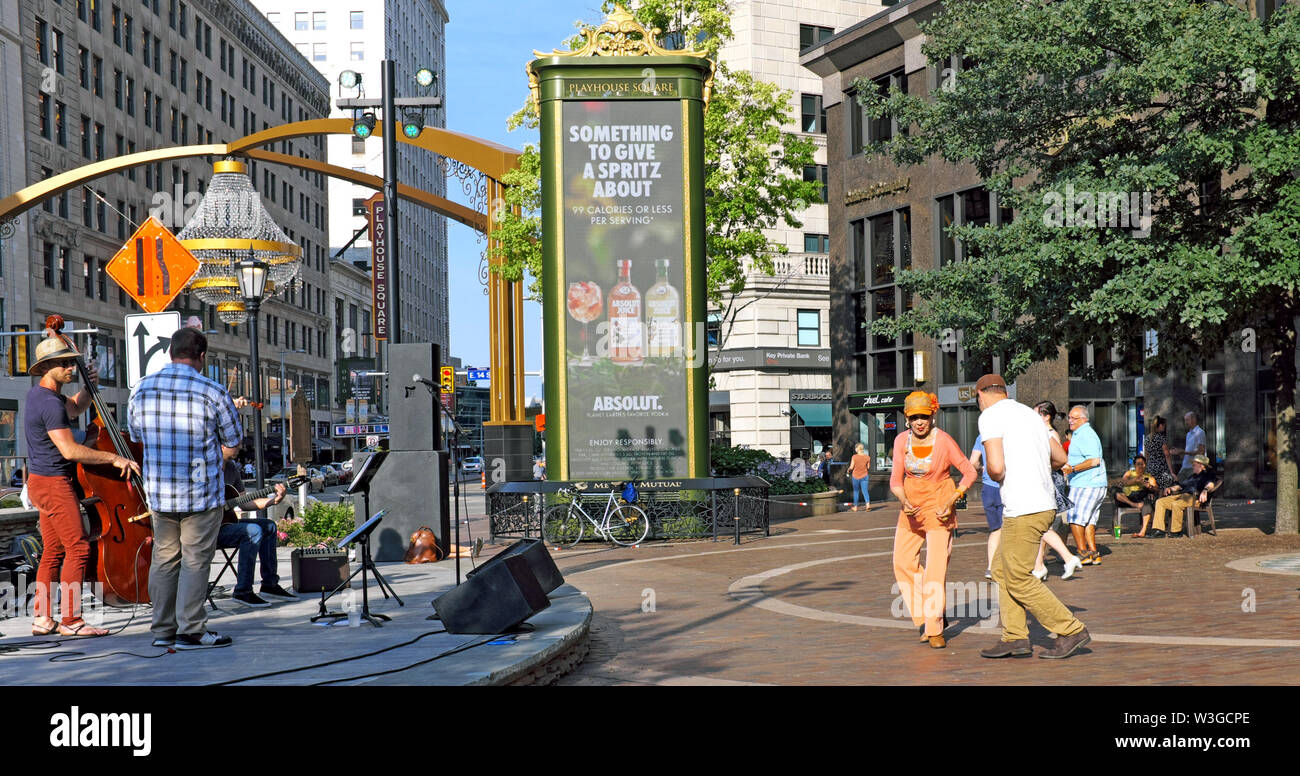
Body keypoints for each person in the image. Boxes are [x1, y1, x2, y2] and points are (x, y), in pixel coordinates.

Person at [128, 328, 243, 650]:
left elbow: (136, 434)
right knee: (194, 560)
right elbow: (233, 441)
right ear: (202, 356)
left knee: (164, 559)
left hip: (160, 494)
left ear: (170, 353)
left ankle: (162, 630)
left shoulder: (142, 389)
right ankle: (191, 628)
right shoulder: (212, 390)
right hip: (200, 492)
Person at [25, 337, 141, 638]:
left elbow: (75, 408)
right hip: (53, 483)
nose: (69, 367)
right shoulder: (50, 403)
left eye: (70, 362)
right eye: (64, 363)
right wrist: (114, 457)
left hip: (40, 482)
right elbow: (70, 451)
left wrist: (90, 389)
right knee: (77, 548)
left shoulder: (41, 397)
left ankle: (42, 618)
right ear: (46, 367)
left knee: (52, 551)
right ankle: (72, 621)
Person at [975, 374, 1091, 660]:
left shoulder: (989, 417)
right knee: (1002, 571)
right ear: (1004, 391)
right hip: (1043, 502)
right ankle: (1015, 637)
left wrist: (996, 473)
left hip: (1022, 506)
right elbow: (1061, 460)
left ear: (980, 395)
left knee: (1016, 577)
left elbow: (997, 468)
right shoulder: (1031, 415)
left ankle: (1070, 629)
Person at [889, 391, 977, 649]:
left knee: (936, 571)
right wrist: (902, 500)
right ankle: (926, 615)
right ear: (907, 419)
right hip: (911, 510)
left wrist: (954, 498)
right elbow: (896, 478)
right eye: (914, 417)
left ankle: (934, 627)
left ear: (932, 416)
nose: (919, 422)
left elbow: (969, 471)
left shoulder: (944, 441)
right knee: (902, 563)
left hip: (940, 509)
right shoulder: (900, 441)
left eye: (924, 416)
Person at [216, 441, 296, 608]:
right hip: (208, 529)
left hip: (227, 524)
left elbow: (245, 503)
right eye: (235, 445)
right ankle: (243, 591)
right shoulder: (207, 468)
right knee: (252, 531)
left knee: (269, 526)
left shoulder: (232, 468)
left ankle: (269, 585)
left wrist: (274, 500)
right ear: (222, 446)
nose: (239, 448)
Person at [1030, 402, 1083, 581]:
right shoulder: (1040, 432)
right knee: (1040, 525)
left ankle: (1064, 559)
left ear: (1046, 416)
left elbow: (1059, 459)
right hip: (1044, 481)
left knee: (1041, 524)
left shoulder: (1050, 434)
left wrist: (1042, 468)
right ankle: (1039, 565)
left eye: (1036, 413)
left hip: (1049, 482)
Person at [1063, 405, 1107, 565]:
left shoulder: (1085, 434)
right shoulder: (1082, 433)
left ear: (1084, 419)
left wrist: (1072, 468)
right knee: (1088, 520)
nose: (1070, 421)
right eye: (1069, 417)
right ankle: (1093, 552)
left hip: (1086, 483)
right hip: (1093, 483)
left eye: (1074, 418)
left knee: (1075, 518)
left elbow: (1094, 460)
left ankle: (1082, 552)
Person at [1150, 454, 1220, 537]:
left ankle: (1176, 531)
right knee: (1160, 502)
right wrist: (1171, 488)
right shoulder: (1192, 476)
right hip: (1182, 495)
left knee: (1176, 504)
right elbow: (1181, 486)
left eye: (1194, 464)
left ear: (1201, 465)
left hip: (1195, 498)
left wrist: (1205, 491)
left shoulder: (1208, 475)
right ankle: (1159, 530)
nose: (1192, 466)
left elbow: (1211, 484)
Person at [968, 435, 1002, 580]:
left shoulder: (982, 436)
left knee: (995, 530)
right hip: (1005, 485)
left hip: (988, 487)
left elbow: (973, 462)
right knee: (1009, 528)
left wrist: (982, 468)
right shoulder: (1007, 432)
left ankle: (991, 567)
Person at [1117, 454, 1159, 537]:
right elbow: (1123, 482)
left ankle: (1142, 531)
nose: (1140, 466)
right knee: (1117, 493)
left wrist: (1149, 486)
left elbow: (1156, 489)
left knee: (1147, 505)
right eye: (1138, 464)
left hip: (1141, 496)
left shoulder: (1148, 477)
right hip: (1128, 498)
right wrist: (1135, 480)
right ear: (1134, 465)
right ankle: (1134, 504)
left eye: (1142, 464)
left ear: (1145, 465)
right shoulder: (1129, 473)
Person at [1144, 414, 1178, 492]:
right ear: (1159, 426)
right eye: (1163, 425)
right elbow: (1167, 455)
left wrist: (1146, 470)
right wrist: (1171, 472)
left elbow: (1146, 455)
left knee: (1154, 487)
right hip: (1161, 469)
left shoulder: (1147, 439)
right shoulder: (1162, 438)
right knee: (1171, 484)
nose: (1164, 427)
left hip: (1150, 468)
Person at [1171, 411, 1207, 481]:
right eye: (1185, 420)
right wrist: (1179, 452)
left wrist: (1184, 452)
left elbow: (1201, 451)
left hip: (1193, 467)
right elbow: (1187, 452)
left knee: (1189, 488)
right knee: (1177, 484)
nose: (1186, 422)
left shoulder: (1200, 432)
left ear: (1194, 420)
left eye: (1187, 420)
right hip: (1185, 465)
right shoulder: (1188, 434)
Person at [849, 443, 871, 511]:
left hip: (856, 476)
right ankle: (868, 505)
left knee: (856, 491)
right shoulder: (867, 457)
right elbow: (868, 467)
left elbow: (851, 467)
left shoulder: (854, 457)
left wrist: (848, 470)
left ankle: (855, 507)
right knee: (865, 491)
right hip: (864, 476)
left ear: (857, 449)